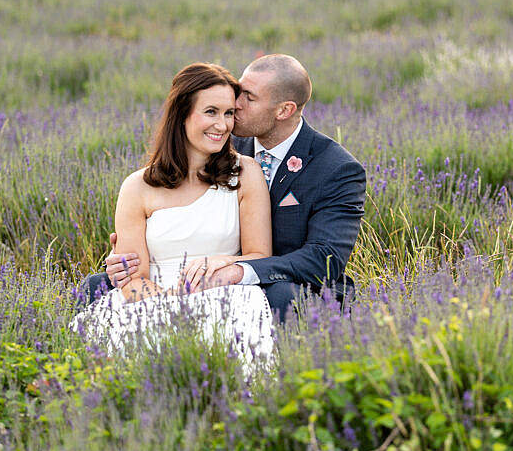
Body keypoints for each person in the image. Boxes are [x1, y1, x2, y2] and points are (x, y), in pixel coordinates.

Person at [99, 53, 366, 324]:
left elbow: (323, 260)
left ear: (284, 110)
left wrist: (239, 270)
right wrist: (125, 259)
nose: (234, 107)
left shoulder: (335, 169)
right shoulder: (218, 143)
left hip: (285, 285)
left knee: (281, 296)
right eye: (235, 94)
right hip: (173, 285)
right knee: (95, 286)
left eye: (247, 97)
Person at [70, 63, 275, 370]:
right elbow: (130, 278)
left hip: (225, 297)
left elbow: (260, 255)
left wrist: (225, 262)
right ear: (182, 114)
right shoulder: (137, 187)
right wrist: (172, 306)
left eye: (229, 113)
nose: (222, 125)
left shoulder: (245, 173)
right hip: (149, 299)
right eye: (211, 112)